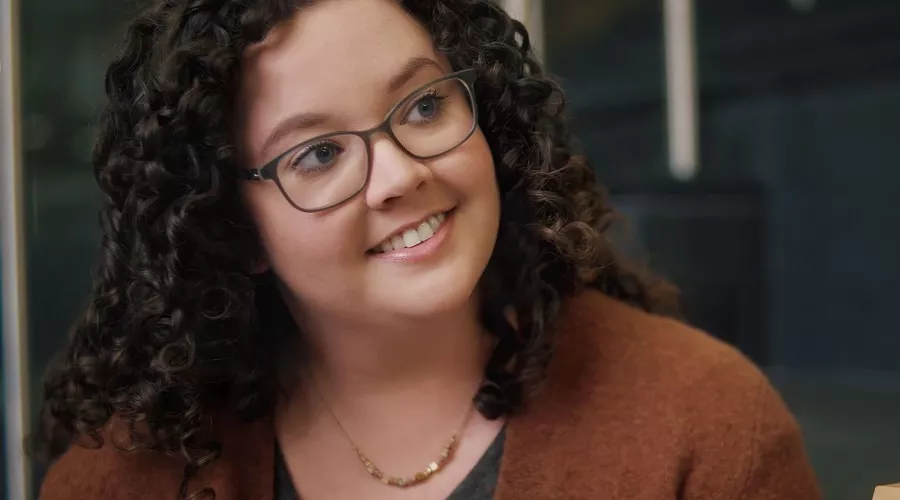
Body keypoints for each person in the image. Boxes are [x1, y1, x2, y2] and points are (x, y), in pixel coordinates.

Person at [32, 0, 823, 499]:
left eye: (423, 105)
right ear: (233, 231)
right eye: (318, 155)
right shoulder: (124, 479)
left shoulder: (706, 425)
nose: (401, 175)